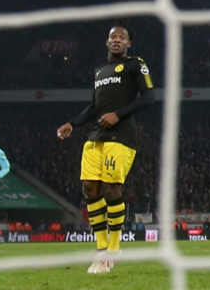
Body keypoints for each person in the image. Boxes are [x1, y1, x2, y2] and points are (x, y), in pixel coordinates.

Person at [56, 24, 155, 274]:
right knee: (89, 189)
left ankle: (114, 247)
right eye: (113, 37)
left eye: (122, 37)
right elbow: (94, 106)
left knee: (112, 190)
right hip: (96, 136)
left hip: (121, 136)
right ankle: (100, 250)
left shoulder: (135, 64)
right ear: (107, 42)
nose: (117, 40)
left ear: (129, 44)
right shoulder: (100, 70)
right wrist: (72, 123)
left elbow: (149, 97)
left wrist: (117, 115)